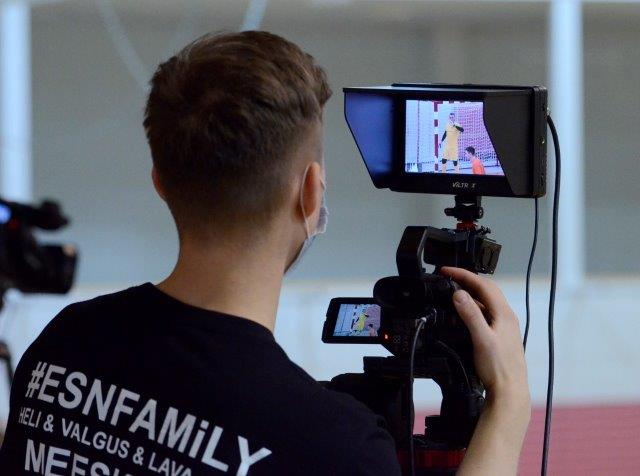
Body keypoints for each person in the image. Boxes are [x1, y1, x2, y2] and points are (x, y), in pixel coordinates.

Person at [0, 31, 530, 475]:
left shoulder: (63, 344)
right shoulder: (329, 445)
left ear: (160, 181)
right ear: (311, 193)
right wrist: (508, 400)